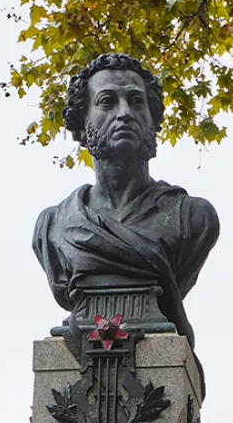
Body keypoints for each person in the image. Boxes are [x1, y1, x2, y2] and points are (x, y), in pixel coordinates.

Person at [33, 54, 219, 349]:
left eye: (136, 101)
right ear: (82, 123)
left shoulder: (194, 218)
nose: (125, 113)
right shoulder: (53, 227)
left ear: (153, 120)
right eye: (107, 101)